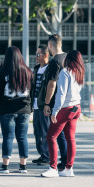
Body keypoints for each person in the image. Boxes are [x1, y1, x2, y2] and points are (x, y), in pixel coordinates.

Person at [42, 50, 85, 178]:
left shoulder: (65, 72)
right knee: (70, 138)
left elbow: (61, 94)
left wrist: (55, 111)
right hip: (76, 107)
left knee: (51, 137)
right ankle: (68, 168)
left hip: (66, 108)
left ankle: (53, 168)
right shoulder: (79, 72)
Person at [0, 46, 32, 173]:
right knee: (22, 137)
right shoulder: (28, 71)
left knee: (8, 137)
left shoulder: (2, 71)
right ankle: (23, 166)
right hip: (24, 108)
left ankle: (5, 166)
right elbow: (33, 91)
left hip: (7, 109)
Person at [38, 34, 67, 170]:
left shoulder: (55, 61)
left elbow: (51, 84)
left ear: (50, 45)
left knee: (56, 133)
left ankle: (61, 161)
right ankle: (67, 160)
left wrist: (47, 103)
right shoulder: (68, 58)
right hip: (69, 100)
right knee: (67, 134)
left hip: (57, 101)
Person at [30, 45, 51, 165]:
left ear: (46, 55)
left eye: (38, 54)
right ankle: (42, 154)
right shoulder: (37, 68)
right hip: (36, 105)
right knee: (37, 132)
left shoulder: (50, 69)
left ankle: (47, 156)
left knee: (45, 132)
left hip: (44, 106)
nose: (36, 57)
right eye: (36, 54)